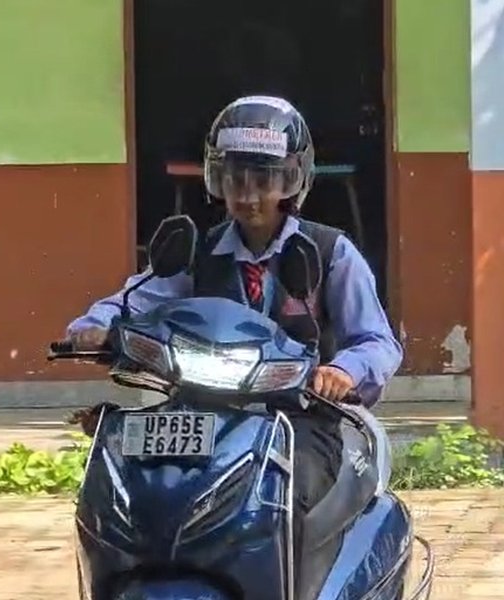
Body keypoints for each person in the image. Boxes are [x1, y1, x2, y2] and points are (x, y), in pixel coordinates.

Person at [64, 95, 402, 590]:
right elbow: (136, 297)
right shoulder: (200, 253)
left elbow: (377, 341)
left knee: (286, 498)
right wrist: (93, 328)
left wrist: (344, 371)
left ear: (291, 182)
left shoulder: (330, 252)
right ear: (216, 181)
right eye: (235, 179)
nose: (248, 195)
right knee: (128, 483)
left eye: (264, 179)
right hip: (203, 414)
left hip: (299, 418)